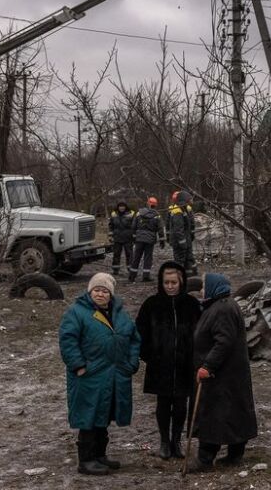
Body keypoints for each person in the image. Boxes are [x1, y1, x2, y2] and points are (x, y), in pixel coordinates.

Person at [58, 272, 141, 476]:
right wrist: (78, 365)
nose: (100, 294)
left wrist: (131, 363)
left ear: (111, 294)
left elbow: (134, 339)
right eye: (96, 290)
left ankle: (100, 455)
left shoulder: (120, 314)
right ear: (90, 291)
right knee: (89, 415)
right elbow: (68, 340)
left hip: (114, 375)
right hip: (89, 375)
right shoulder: (77, 312)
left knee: (104, 415)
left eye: (105, 291)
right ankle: (86, 460)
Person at [187, 273, 259, 472]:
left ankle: (205, 459)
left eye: (204, 285)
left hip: (221, 376)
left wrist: (208, 366)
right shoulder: (222, 305)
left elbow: (224, 342)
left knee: (213, 415)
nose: (201, 290)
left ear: (213, 286)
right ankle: (235, 454)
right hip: (230, 375)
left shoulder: (222, 309)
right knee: (234, 414)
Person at [135, 261, 202, 460]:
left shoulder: (191, 305)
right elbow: (140, 332)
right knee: (163, 403)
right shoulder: (151, 304)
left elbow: (200, 332)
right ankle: (164, 441)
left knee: (181, 404)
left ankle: (176, 440)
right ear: (161, 282)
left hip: (184, 364)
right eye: (166, 282)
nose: (170, 286)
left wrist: (195, 356)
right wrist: (148, 354)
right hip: (160, 365)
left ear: (181, 282)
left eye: (174, 282)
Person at [130, 196, 164, 282]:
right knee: (148, 258)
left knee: (136, 257)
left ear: (147, 203)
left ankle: (132, 276)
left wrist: (134, 237)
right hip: (150, 239)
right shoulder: (157, 215)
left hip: (139, 239)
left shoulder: (139, 213)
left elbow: (133, 226)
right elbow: (160, 229)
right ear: (155, 205)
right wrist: (162, 240)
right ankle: (146, 276)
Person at [167, 191, 197, 276]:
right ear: (185, 199)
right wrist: (182, 242)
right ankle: (178, 278)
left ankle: (189, 276)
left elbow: (189, 226)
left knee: (188, 259)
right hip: (179, 241)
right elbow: (178, 229)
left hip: (185, 239)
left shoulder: (184, 208)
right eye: (189, 199)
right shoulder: (177, 211)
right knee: (180, 260)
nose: (191, 200)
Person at [107, 201, 135, 275]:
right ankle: (115, 270)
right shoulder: (114, 214)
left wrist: (134, 236)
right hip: (117, 238)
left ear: (125, 207)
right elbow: (111, 226)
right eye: (120, 206)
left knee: (129, 254)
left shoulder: (131, 214)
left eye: (123, 206)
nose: (121, 208)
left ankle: (130, 269)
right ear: (118, 207)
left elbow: (134, 226)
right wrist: (110, 236)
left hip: (128, 238)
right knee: (116, 254)